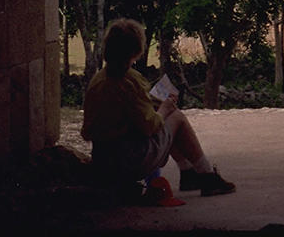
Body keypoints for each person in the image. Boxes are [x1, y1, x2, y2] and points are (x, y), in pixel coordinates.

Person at [82, 18, 235, 197]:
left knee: (168, 121)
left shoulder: (99, 79)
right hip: (129, 161)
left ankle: (188, 174)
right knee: (176, 117)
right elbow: (151, 126)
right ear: (136, 50)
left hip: (103, 159)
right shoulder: (129, 80)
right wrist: (165, 108)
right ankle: (207, 175)